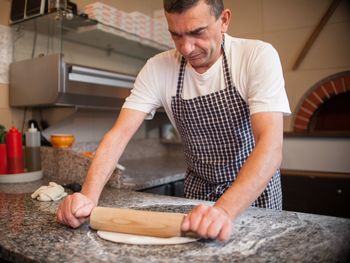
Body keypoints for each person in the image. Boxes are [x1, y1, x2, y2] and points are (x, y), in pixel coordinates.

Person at [57, 0, 290, 241]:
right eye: (176, 35)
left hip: (252, 194)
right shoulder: (158, 68)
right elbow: (119, 135)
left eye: (197, 32)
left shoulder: (256, 56)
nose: (187, 48)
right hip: (199, 192)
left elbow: (270, 147)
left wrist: (223, 210)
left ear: (224, 20)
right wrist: (87, 197)